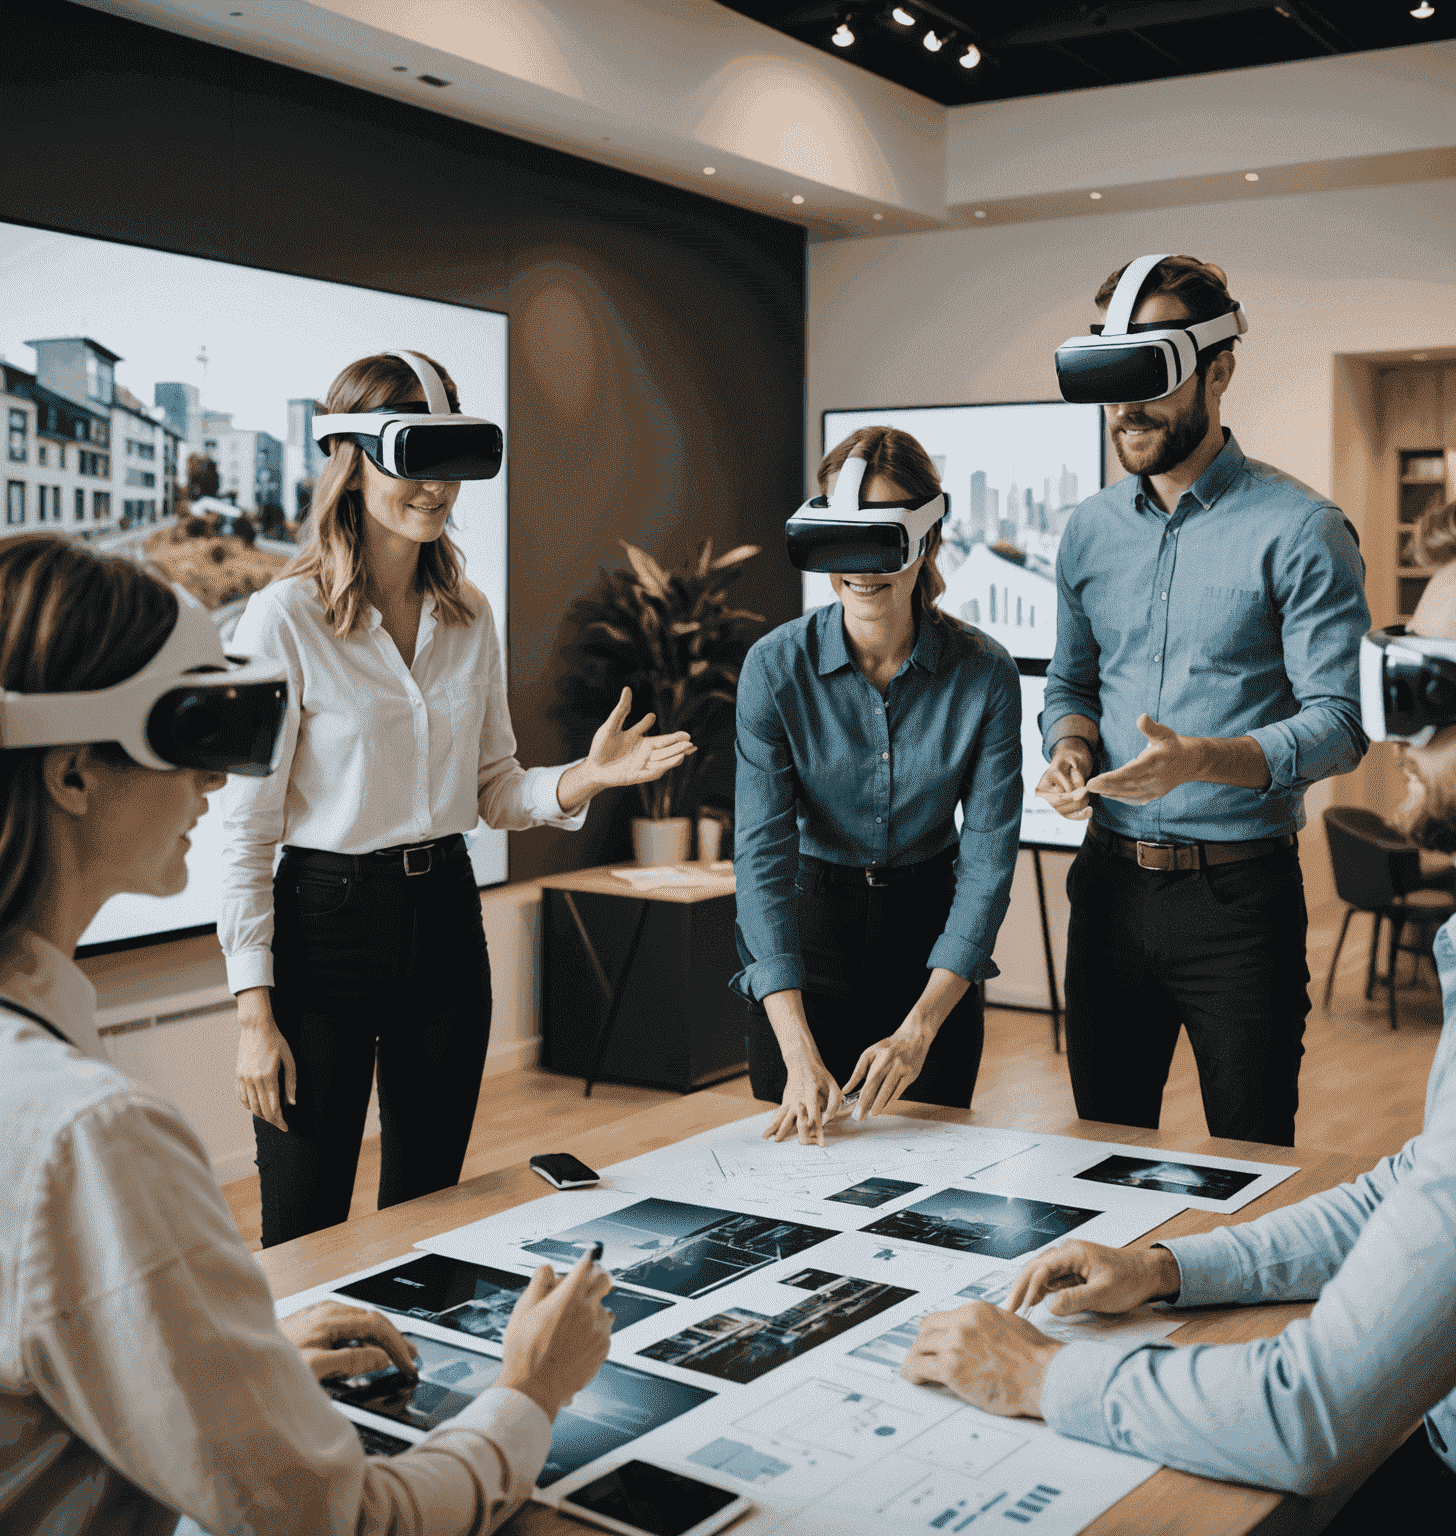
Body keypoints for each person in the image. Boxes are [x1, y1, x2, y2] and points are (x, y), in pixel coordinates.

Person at [901, 494, 1456, 1529]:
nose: (1392, 736)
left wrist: (1038, 1377)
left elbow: (1314, 1412)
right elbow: (1415, 1189)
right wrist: (1165, 1266)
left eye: (1425, 690)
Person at [0, 532, 615, 1536]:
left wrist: (225, 1355)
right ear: (73, 775)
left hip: (440, 916)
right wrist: (531, 1393)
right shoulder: (87, 1135)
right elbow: (345, 1523)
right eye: (194, 725)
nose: (217, 779)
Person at [222, 350, 692, 1246]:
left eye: (453, 459)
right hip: (323, 930)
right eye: (414, 458)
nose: (436, 487)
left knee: (430, 1207)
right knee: (304, 1213)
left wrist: (585, 777)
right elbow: (245, 833)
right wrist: (254, 1014)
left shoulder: (467, 615)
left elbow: (494, 791)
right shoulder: (283, 620)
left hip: (442, 919)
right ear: (352, 460)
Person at [1038, 255, 1371, 1146]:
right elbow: (1071, 684)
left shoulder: (1303, 531)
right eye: (1113, 382)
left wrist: (1204, 762)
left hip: (1239, 903)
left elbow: (1342, 724)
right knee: (1102, 1152)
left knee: (1250, 1156)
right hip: (1107, 888)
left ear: (1218, 370)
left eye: (1151, 378)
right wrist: (1071, 750)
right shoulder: (1090, 531)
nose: (1127, 409)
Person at [733, 425, 1023, 1144]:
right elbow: (761, 860)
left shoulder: (984, 674)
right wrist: (797, 1050)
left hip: (929, 951)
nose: (861, 565)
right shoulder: (775, 670)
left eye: (883, 537)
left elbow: (986, 865)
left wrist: (922, 1027)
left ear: (925, 538)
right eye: (842, 537)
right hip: (811, 938)